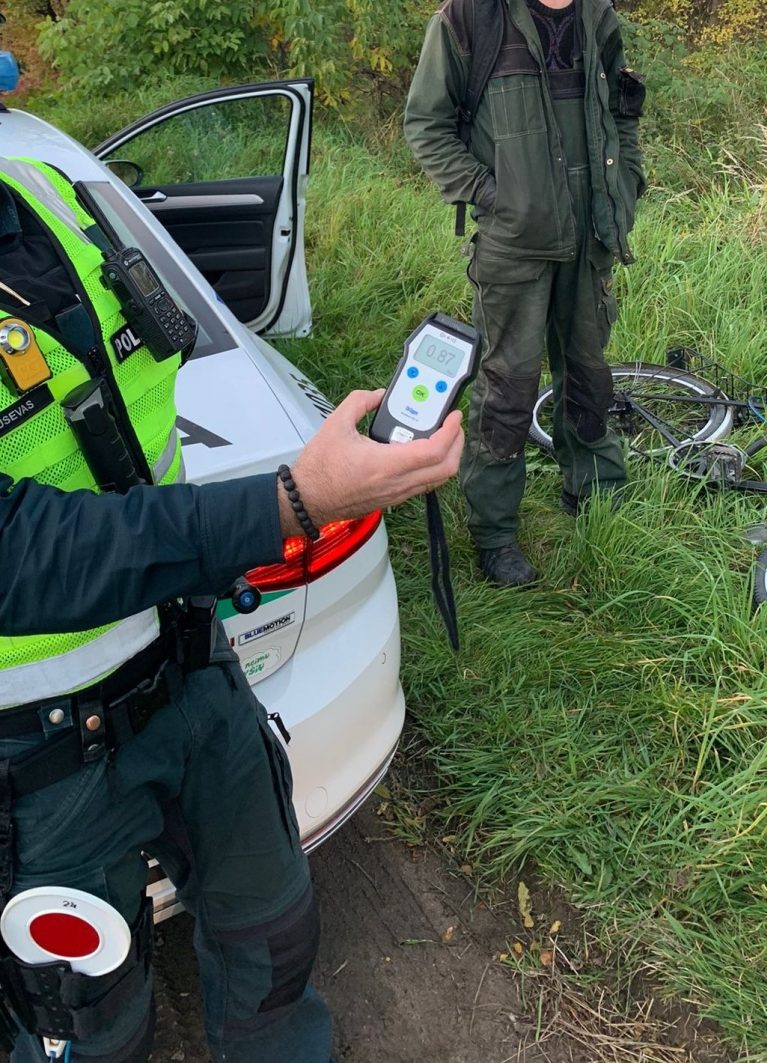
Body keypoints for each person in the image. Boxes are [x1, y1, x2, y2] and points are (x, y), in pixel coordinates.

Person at [0, 156, 463, 1062]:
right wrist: (293, 499)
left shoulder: (44, 187)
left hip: (193, 669)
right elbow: (19, 553)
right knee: (88, 1030)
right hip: (39, 758)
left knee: (276, 939)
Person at [404, 0, 647, 586]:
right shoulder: (468, 19)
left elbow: (622, 112)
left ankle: (594, 489)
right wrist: (490, 194)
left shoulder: (599, 17)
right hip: (514, 243)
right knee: (508, 385)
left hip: (592, 234)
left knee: (588, 370)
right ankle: (495, 533)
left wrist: (627, 180)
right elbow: (426, 124)